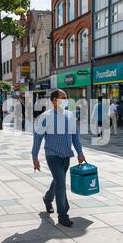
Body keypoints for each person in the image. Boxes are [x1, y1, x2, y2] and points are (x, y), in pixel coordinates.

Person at [32, 89, 86, 228]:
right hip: (52, 155)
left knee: (57, 181)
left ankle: (47, 198)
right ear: (54, 100)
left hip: (66, 155)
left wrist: (80, 153)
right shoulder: (45, 117)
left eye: (66, 98)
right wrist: (35, 156)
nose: (66, 100)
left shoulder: (70, 116)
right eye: (63, 98)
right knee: (61, 182)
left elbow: (75, 137)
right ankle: (63, 215)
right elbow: (38, 138)